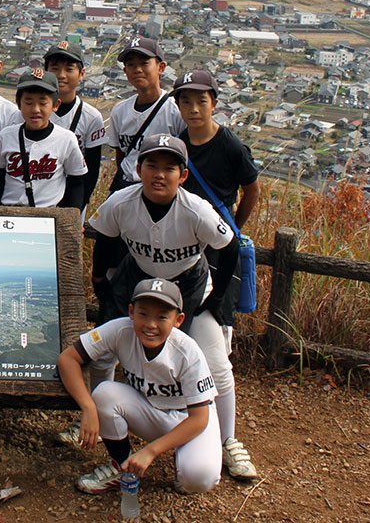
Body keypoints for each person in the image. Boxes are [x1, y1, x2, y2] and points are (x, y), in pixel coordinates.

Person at [87, 134, 245, 487]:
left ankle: (227, 439)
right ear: (138, 169)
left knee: (216, 362)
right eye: (151, 166)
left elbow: (230, 246)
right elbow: (106, 237)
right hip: (138, 278)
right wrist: (100, 280)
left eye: (169, 168)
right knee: (103, 355)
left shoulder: (195, 209)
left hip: (188, 283)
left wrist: (217, 300)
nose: (159, 175)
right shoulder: (121, 202)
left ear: (183, 175)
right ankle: (97, 423)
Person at [172, 69, 261, 481]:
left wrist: (232, 229)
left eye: (200, 101)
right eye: (185, 101)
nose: (193, 109)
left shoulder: (229, 144)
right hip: (181, 248)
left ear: (214, 102)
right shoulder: (179, 143)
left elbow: (252, 187)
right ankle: (184, 419)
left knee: (216, 347)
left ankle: (227, 439)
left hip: (215, 250)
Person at [58, 278, 221, 496]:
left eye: (162, 316)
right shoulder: (120, 330)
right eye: (143, 314)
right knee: (104, 394)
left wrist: (150, 451)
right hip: (151, 411)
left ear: (178, 320)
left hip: (188, 420)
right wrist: (88, 407)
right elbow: (67, 359)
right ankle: (121, 466)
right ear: (132, 312)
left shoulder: (187, 352)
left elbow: (199, 419)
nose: (151, 324)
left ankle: (185, 455)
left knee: (198, 479)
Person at [0, 69, 87, 209]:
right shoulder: (5, 136)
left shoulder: (66, 139)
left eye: (43, 103)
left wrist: (73, 219)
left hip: (48, 216)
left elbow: (76, 183)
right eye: (28, 102)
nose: (35, 109)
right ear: (18, 103)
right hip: (10, 213)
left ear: (56, 105)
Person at [107, 36, 184, 194]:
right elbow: (121, 153)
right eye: (131, 64)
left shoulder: (175, 110)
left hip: (160, 191)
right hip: (126, 187)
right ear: (125, 71)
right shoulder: (119, 111)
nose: (137, 69)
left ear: (161, 67)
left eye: (144, 63)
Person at [44, 40, 107, 209]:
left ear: (81, 74)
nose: (61, 75)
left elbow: (92, 169)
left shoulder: (91, 117)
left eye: (69, 69)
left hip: (74, 199)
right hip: (39, 199)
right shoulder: (31, 113)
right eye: (55, 68)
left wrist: (78, 207)